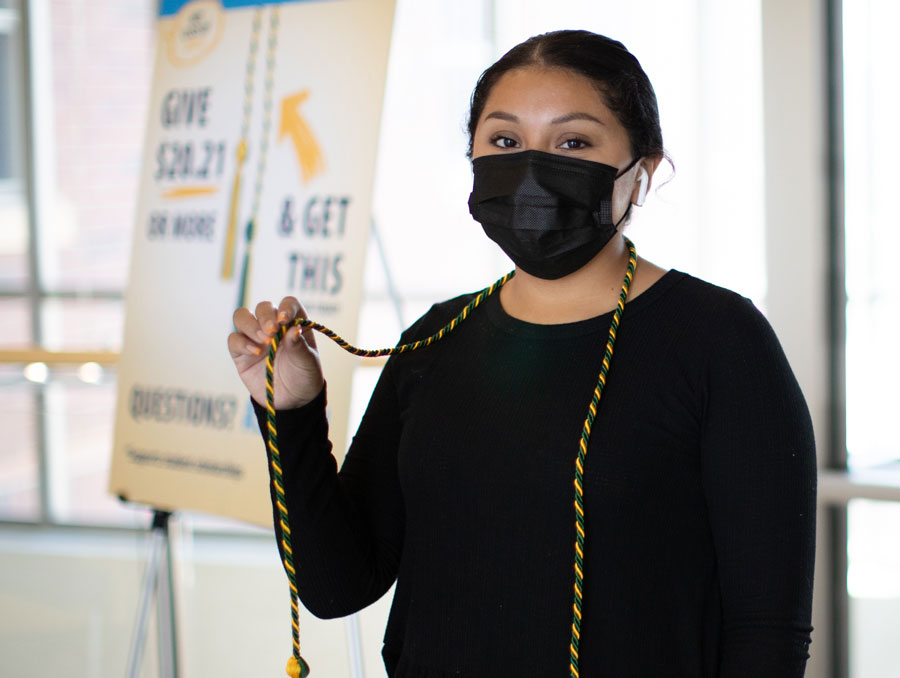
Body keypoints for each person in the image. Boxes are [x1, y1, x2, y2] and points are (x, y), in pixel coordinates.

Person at [228, 30, 817, 677]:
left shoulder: (719, 341)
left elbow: (767, 632)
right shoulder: (436, 338)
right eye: (506, 141)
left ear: (643, 173)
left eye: (573, 142)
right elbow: (338, 585)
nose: (532, 170)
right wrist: (292, 412)